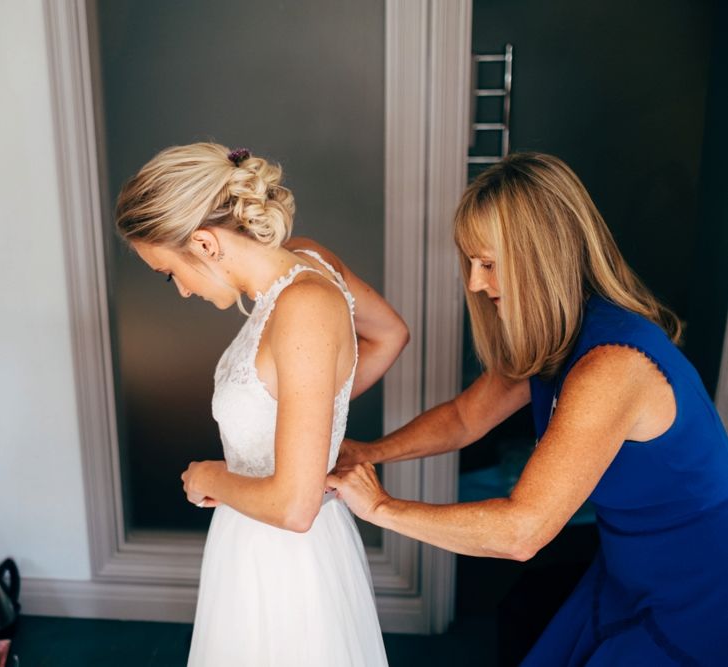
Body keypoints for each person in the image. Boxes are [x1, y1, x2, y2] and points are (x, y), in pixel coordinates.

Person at [328, 152, 728, 666]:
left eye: (488, 264)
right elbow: (464, 418)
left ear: (542, 259)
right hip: (628, 567)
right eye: (471, 263)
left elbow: (520, 533)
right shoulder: (555, 337)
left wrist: (381, 508)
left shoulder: (611, 367)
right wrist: (368, 451)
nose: (474, 282)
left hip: (699, 585)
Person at [115, 142, 407, 666]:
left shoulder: (304, 305)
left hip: (285, 555)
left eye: (168, 273)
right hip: (249, 536)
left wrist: (207, 478)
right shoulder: (312, 258)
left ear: (204, 243)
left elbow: (295, 509)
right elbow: (389, 334)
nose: (179, 291)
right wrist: (310, 416)